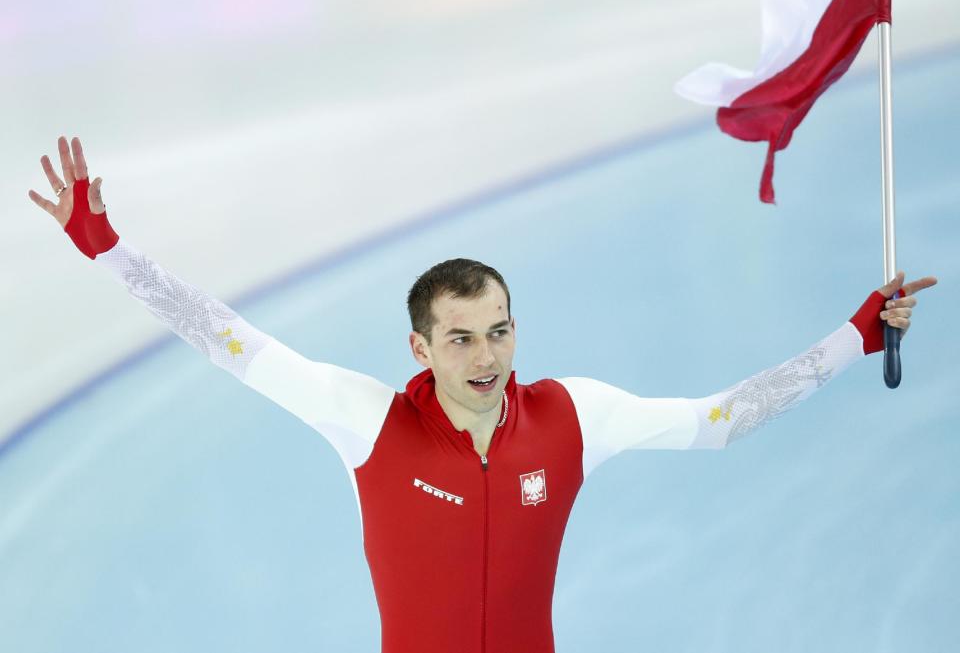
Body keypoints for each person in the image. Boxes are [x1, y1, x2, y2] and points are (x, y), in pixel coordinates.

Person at [29, 136, 938, 653]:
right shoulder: (368, 421)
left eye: (499, 329)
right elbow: (230, 341)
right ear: (418, 346)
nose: (485, 354)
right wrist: (109, 249)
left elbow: (724, 421)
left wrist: (854, 336)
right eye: (460, 336)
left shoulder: (573, 416)